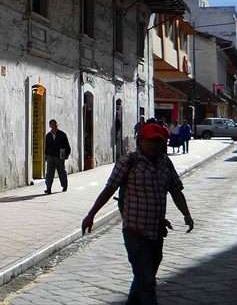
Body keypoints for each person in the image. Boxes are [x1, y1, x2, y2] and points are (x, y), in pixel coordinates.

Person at [82, 122, 194, 305]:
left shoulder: (166, 163)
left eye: (159, 141)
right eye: (151, 141)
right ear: (141, 141)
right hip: (135, 230)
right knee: (147, 280)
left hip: (157, 230)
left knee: (144, 275)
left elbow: (176, 191)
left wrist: (186, 214)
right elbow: (109, 189)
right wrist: (91, 214)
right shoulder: (128, 162)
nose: (155, 145)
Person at [44, 119, 71, 194]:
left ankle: (64, 186)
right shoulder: (48, 136)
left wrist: (66, 154)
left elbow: (67, 146)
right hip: (50, 156)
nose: (54, 126)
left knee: (61, 172)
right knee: (49, 173)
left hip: (59, 156)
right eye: (52, 125)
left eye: (55, 124)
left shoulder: (62, 134)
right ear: (50, 126)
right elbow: (46, 147)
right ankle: (48, 188)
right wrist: (46, 156)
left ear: (57, 125)